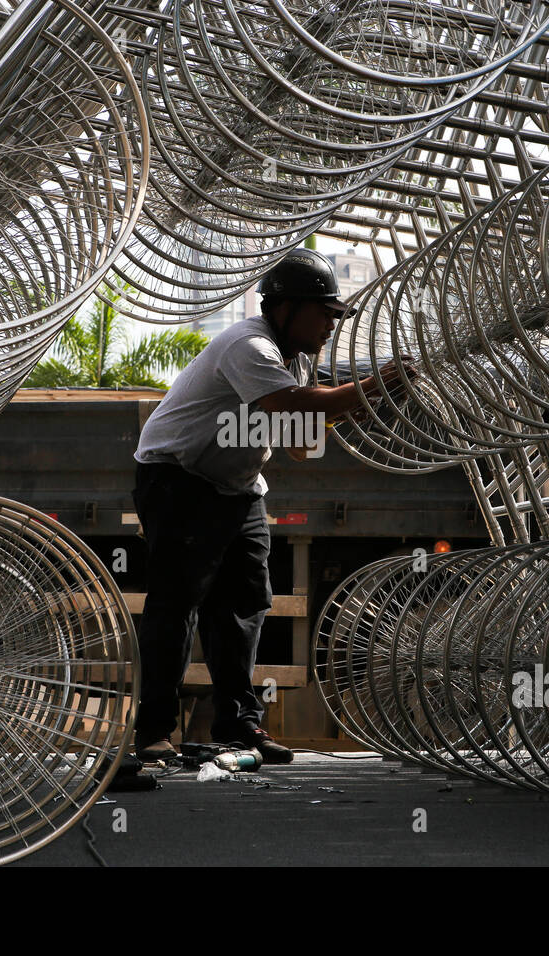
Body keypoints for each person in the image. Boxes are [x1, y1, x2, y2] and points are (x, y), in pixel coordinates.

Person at [131, 247, 413, 764]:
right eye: (325, 312)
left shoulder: (296, 359)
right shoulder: (250, 346)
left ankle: (239, 728)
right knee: (176, 606)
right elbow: (292, 408)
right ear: (286, 307)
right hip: (179, 479)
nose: (332, 324)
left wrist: (354, 404)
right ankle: (153, 732)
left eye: (336, 315)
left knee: (243, 608)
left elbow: (301, 441)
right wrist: (370, 389)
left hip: (237, 488)